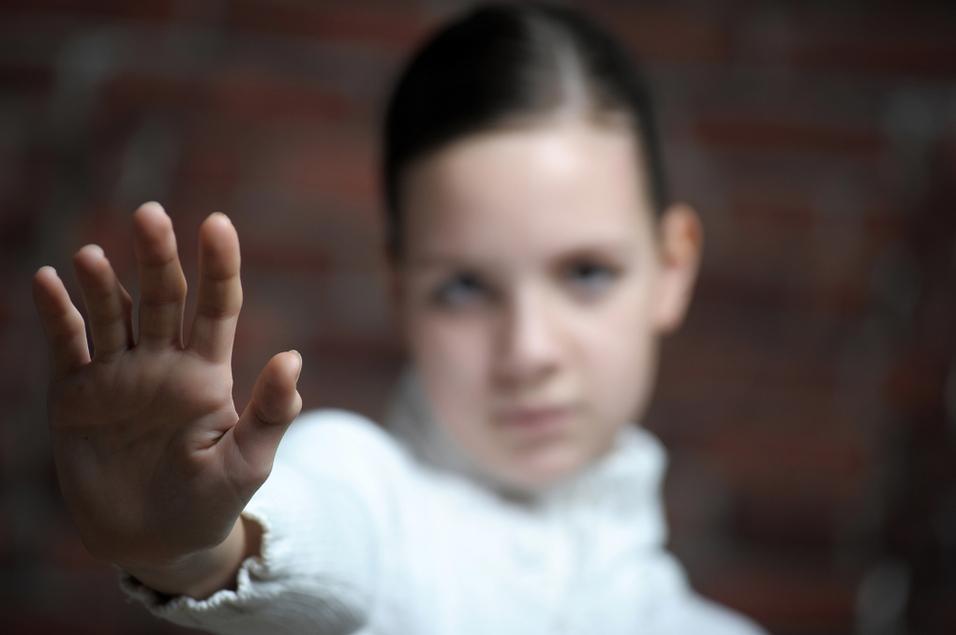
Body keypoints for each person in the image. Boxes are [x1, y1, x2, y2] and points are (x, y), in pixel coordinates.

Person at [32, 2, 768, 633]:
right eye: (464, 288)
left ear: (673, 266)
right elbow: (328, 534)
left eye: (586, 273)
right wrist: (197, 547)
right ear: (398, 287)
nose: (530, 350)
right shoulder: (372, 499)